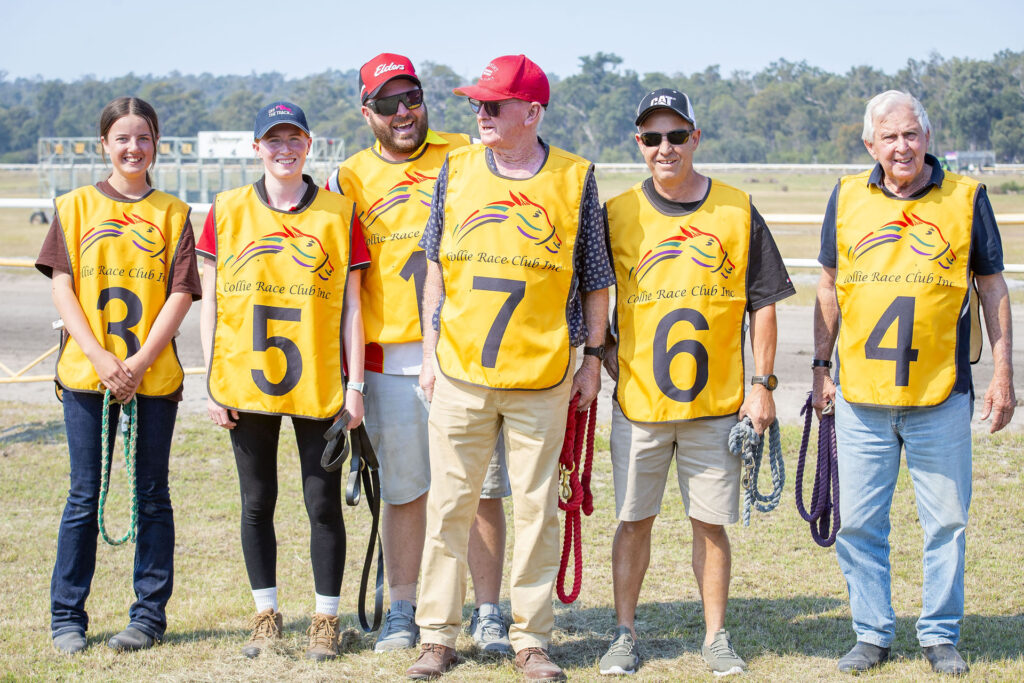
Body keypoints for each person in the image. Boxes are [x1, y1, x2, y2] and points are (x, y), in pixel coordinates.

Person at [406, 54, 614, 682]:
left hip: (544, 377)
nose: (480, 114)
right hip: (461, 373)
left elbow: (596, 280)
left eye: (493, 106)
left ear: (532, 112)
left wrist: (594, 361)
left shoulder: (577, 178)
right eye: (476, 104)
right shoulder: (457, 168)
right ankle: (436, 635)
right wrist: (428, 355)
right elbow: (436, 264)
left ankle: (531, 638)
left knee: (536, 509)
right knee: (449, 507)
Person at [812, 90, 1015, 676]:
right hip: (860, 395)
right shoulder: (847, 195)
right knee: (857, 522)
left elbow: (993, 287)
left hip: (940, 394)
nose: (901, 146)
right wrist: (821, 369)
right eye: (889, 137)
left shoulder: (966, 197)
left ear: (927, 137)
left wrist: (1003, 373)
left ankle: (939, 633)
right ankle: (872, 633)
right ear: (869, 144)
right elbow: (828, 285)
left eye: (911, 134)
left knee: (947, 521)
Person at [597, 89, 795, 677]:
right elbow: (586, 294)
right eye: (652, 138)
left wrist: (761, 385)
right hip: (640, 403)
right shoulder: (617, 213)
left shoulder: (736, 208)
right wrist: (602, 353)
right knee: (633, 520)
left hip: (715, 404)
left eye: (676, 136)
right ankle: (624, 634)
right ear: (638, 143)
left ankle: (716, 637)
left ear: (696, 139)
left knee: (709, 523)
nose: (665, 148)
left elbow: (765, 302)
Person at [324, 53, 513, 655]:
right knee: (407, 492)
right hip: (389, 362)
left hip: (464, 355)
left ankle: (488, 612)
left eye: (413, 98)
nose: (404, 112)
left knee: (482, 489)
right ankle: (403, 609)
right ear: (366, 111)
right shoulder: (346, 179)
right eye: (387, 103)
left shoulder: (465, 154)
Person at [197, 101, 368, 661]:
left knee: (322, 504)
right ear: (257, 149)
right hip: (246, 381)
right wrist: (212, 382)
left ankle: (325, 619)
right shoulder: (226, 209)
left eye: (293, 138)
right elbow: (212, 304)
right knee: (256, 502)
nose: (284, 149)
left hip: (320, 381)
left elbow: (352, 308)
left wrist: (357, 385)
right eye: (274, 140)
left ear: (309, 144)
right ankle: (265, 614)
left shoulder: (340, 213)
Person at [37, 96, 201, 654]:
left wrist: (137, 362)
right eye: (123, 138)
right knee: (86, 494)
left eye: (144, 137)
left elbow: (182, 292)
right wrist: (103, 360)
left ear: (157, 143)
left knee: (153, 495)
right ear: (104, 143)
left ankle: (148, 616)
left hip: (152, 377)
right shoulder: (75, 206)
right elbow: (62, 284)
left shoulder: (174, 213)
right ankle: (67, 617)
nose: (134, 148)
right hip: (87, 376)